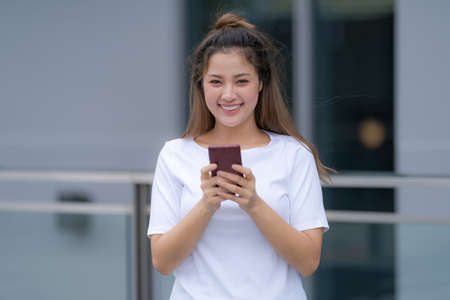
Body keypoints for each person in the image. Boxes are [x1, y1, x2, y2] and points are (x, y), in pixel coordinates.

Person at [148, 13, 334, 300]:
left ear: (261, 83)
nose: (229, 94)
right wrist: (207, 205)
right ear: (201, 85)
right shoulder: (174, 155)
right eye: (216, 82)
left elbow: (308, 261)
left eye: (242, 81)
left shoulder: (294, 154)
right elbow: (162, 261)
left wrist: (254, 204)